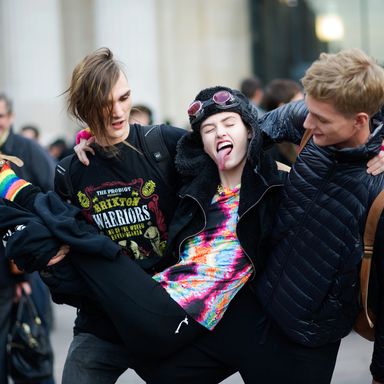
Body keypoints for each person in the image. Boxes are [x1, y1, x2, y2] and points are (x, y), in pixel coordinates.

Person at [0, 84, 284, 383]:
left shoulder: (268, 182)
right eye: (210, 129)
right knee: (63, 240)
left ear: (250, 131)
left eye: (229, 125)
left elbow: (292, 126)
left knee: (80, 244)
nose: (220, 133)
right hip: (125, 307)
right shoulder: (203, 176)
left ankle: (15, 191)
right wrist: (93, 141)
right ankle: (15, 200)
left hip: (170, 314)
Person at [54, 47, 184, 384]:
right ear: (84, 110)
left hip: (164, 315)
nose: (117, 112)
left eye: (124, 97)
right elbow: (64, 249)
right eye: (103, 105)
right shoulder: (70, 172)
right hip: (102, 324)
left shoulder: (163, 144)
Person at [255, 48, 384, 383]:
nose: (307, 123)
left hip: (312, 337)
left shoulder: (379, 188)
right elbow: (255, 127)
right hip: (260, 309)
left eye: (321, 119)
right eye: (308, 111)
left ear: (360, 120)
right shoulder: (313, 116)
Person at [0, 93, 56, 384]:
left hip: (29, 264)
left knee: (33, 342)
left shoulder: (28, 151)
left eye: (0, 116)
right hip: (3, 268)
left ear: (9, 118)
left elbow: (51, 198)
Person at [261, 78, 304, 165]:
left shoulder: (307, 133)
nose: (304, 107)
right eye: (299, 103)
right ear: (283, 108)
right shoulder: (269, 151)